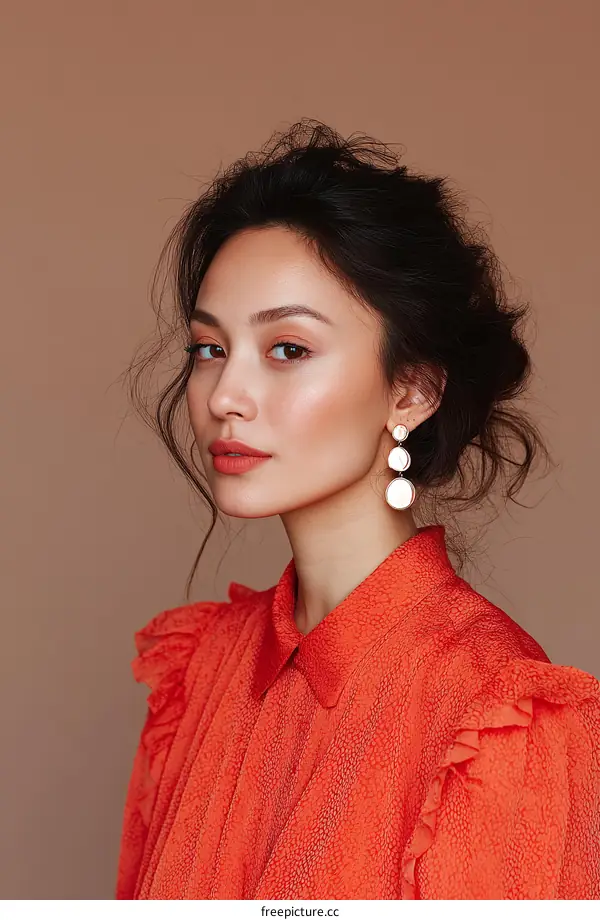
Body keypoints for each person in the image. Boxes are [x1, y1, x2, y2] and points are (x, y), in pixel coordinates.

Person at [115, 119, 600, 899]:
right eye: (210, 348)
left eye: (288, 349)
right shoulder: (200, 669)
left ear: (411, 390)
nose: (224, 397)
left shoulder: (496, 718)